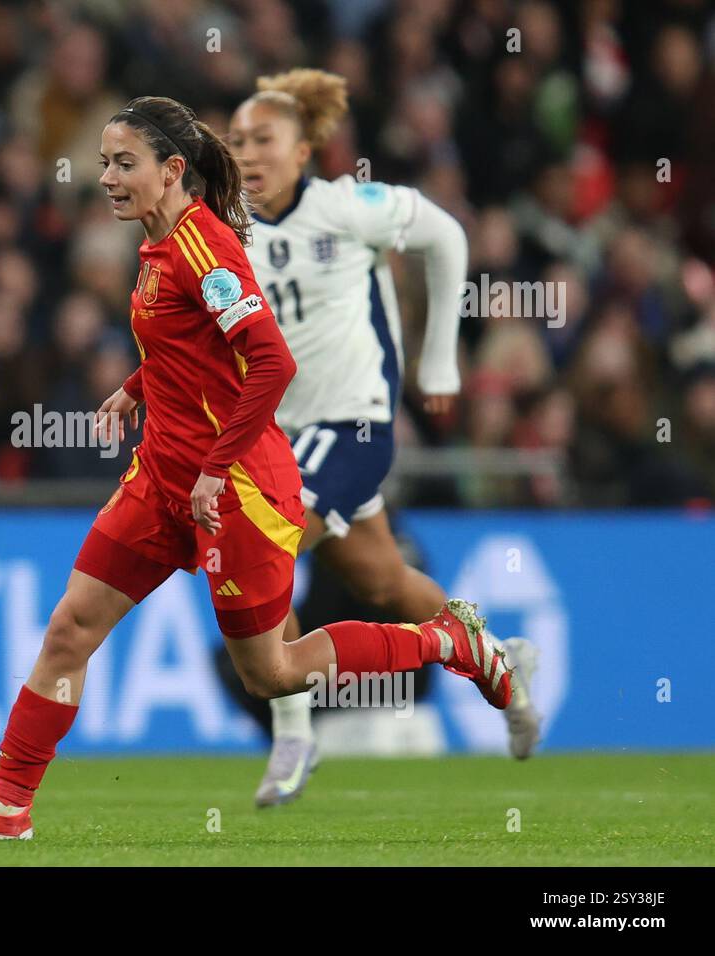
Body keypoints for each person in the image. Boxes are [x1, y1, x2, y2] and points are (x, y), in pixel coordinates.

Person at [0, 96, 513, 842]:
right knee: (70, 628)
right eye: (104, 161)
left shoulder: (204, 248)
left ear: (171, 171)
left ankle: (448, 643)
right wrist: (137, 387)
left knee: (271, 672)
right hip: (161, 481)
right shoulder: (158, 245)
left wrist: (213, 468)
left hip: (235, 491)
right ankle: (7, 809)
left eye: (123, 163)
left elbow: (273, 361)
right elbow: (197, 348)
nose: (106, 177)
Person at [227, 70, 541, 808]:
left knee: (265, 548)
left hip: (356, 422)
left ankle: (294, 732)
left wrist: (437, 361)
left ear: (303, 148)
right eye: (236, 140)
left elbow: (445, 234)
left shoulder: (345, 207)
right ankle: (493, 659)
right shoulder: (228, 234)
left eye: (263, 139)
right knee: (386, 583)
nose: (247, 152)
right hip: (280, 438)